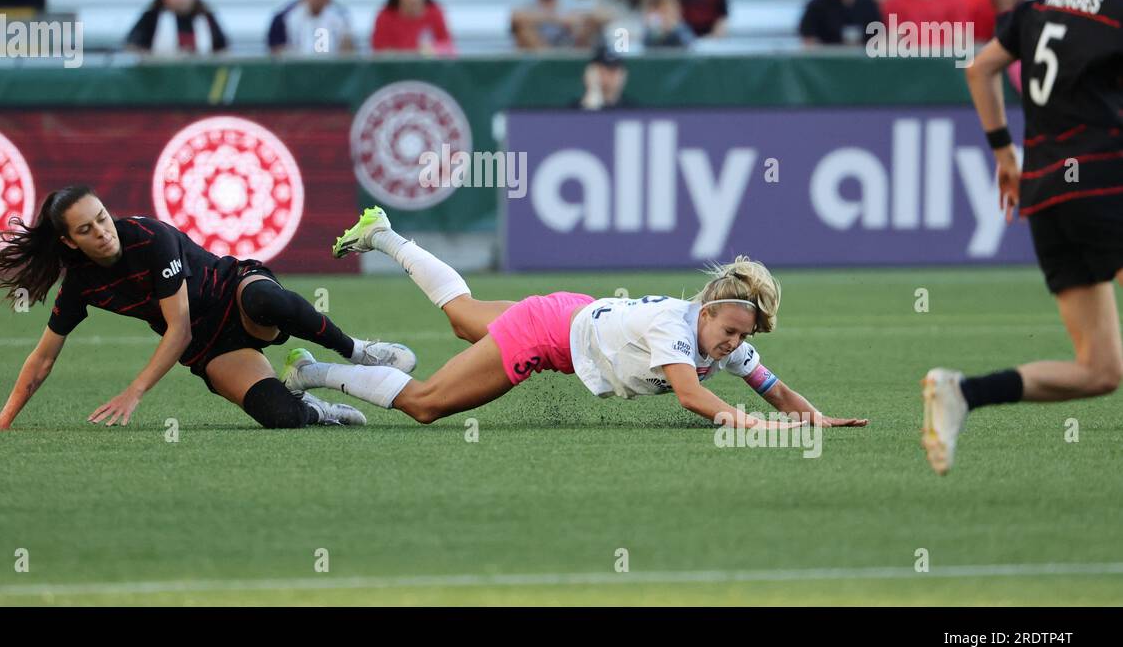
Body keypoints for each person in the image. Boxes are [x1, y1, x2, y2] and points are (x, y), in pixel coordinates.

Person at [282, 207, 868, 431]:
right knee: (427, 405)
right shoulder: (676, 327)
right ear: (707, 308)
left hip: (569, 314)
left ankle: (383, 235)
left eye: (741, 337)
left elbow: (776, 388)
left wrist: (817, 419)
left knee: (463, 318)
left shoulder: (722, 339)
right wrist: (752, 426)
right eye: (730, 331)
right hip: (548, 332)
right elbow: (692, 398)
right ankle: (311, 373)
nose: (733, 346)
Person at [924, 0, 1123, 475]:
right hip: (1106, 185)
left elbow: (979, 67)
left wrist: (1003, 152)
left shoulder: (1041, 7)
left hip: (1048, 194)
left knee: (1100, 371)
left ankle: (961, 392)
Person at [0, 186, 418, 432]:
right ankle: (314, 398)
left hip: (235, 295)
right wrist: (3, 421)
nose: (103, 231)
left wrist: (134, 391)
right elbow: (44, 356)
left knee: (267, 299)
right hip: (210, 347)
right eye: (87, 228)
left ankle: (357, 350)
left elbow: (176, 329)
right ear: (69, 241)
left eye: (102, 217)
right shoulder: (81, 283)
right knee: (280, 418)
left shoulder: (149, 237)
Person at [267, 0, 355, 57]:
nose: (321, 0)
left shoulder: (340, 17)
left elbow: (348, 53)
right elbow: (276, 52)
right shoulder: (285, 17)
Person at [577, 43, 630, 109]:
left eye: (613, 70)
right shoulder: (572, 110)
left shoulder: (634, 110)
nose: (608, 76)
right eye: (601, 70)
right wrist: (594, 92)